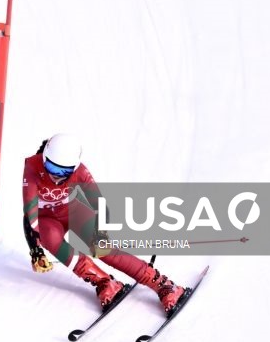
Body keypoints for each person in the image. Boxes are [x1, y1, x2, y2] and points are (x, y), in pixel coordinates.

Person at [22, 133, 187, 315]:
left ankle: (164, 285)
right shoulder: (32, 167)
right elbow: (30, 214)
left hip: (73, 211)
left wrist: (101, 229)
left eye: (64, 172)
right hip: (48, 220)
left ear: (74, 167)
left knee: (103, 249)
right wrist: (35, 250)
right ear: (44, 158)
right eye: (51, 167)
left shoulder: (81, 171)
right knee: (50, 238)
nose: (55, 176)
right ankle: (105, 282)